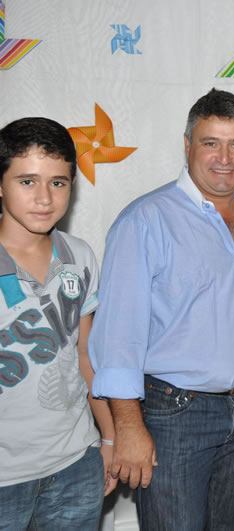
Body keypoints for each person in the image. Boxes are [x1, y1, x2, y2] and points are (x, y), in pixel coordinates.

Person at [89, 88, 234, 529]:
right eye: (211, 143)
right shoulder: (145, 219)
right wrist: (127, 427)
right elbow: (118, 335)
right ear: (188, 145)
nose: (224, 158)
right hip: (176, 415)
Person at [0, 117, 116, 529]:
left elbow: (86, 355)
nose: (44, 198)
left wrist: (109, 437)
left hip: (75, 463)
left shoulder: (79, 255)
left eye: (58, 182)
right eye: (27, 181)